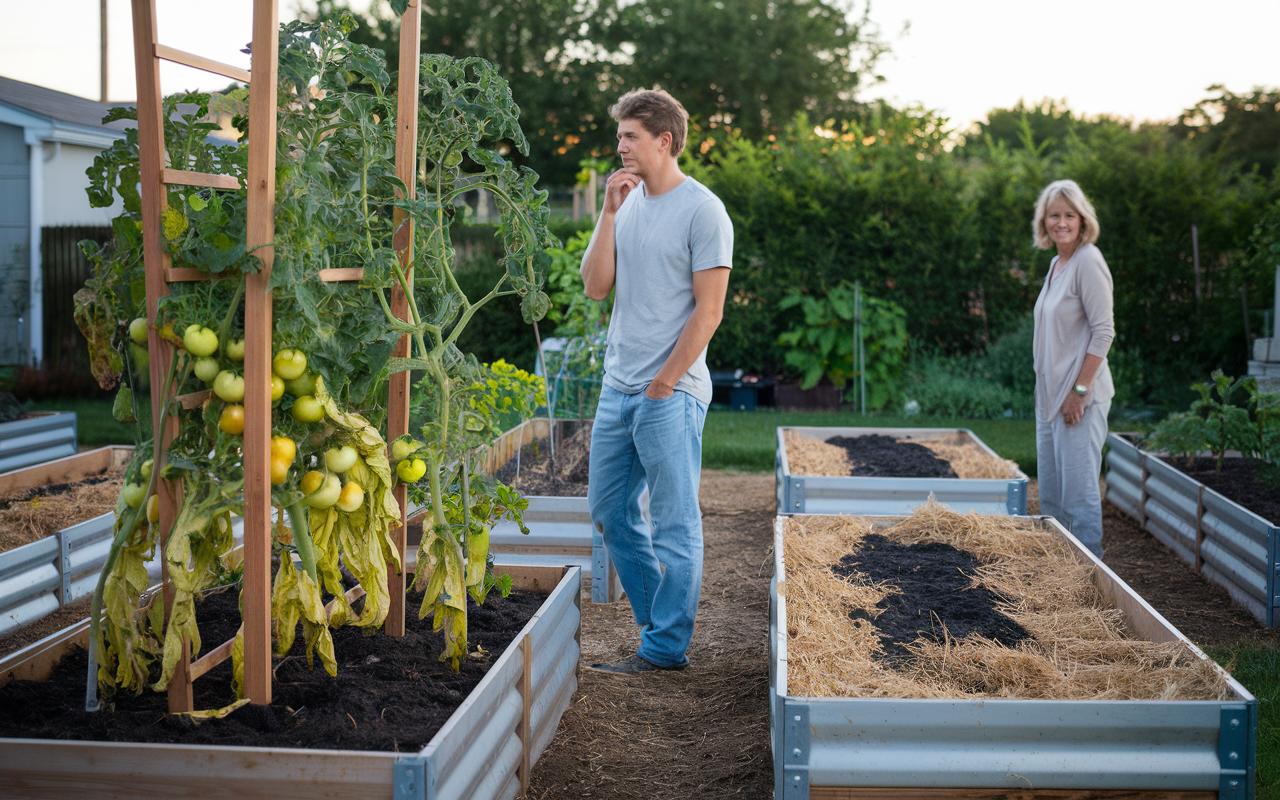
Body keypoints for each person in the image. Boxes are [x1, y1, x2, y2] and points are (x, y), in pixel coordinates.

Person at [579, 89, 733, 673]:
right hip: (617, 387)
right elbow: (596, 287)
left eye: (629, 136)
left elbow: (709, 311)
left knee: (674, 522)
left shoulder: (703, 211)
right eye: (619, 136)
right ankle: (657, 632)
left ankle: (665, 647)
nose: (620, 145)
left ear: (663, 140)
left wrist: (664, 384)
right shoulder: (630, 202)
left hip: (670, 392)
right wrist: (609, 211)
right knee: (611, 511)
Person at [1031, 179, 1115, 558]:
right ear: (1043, 221)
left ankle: (1089, 580)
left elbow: (1103, 332)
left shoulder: (1087, 261)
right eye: (1054, 215)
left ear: (1083, 220)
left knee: (1079, 498)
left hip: (1079, 397)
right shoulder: (1056, 264)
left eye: (1069, 215)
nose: (1061, 222)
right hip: (1050, 397)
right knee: (1051, 494)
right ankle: (1058, 579)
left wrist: (1079, 391)